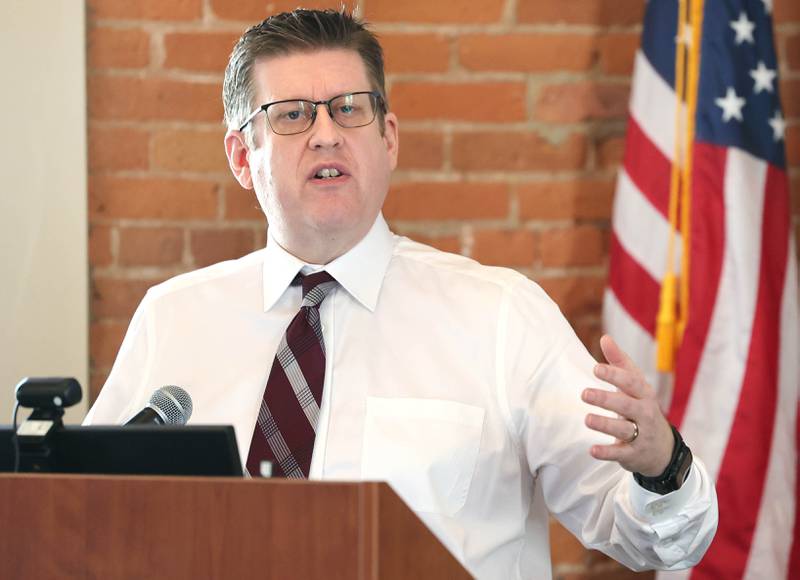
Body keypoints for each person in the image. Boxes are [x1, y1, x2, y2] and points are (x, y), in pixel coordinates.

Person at [85, 9, 717, 579]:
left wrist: (662, 466)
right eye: (292, 116)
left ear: (387, 138)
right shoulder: (174, 320)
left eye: (349, 108)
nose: (326, 134)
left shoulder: (499, 317)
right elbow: (88, 517)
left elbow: (655, 541)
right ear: (241, 157)